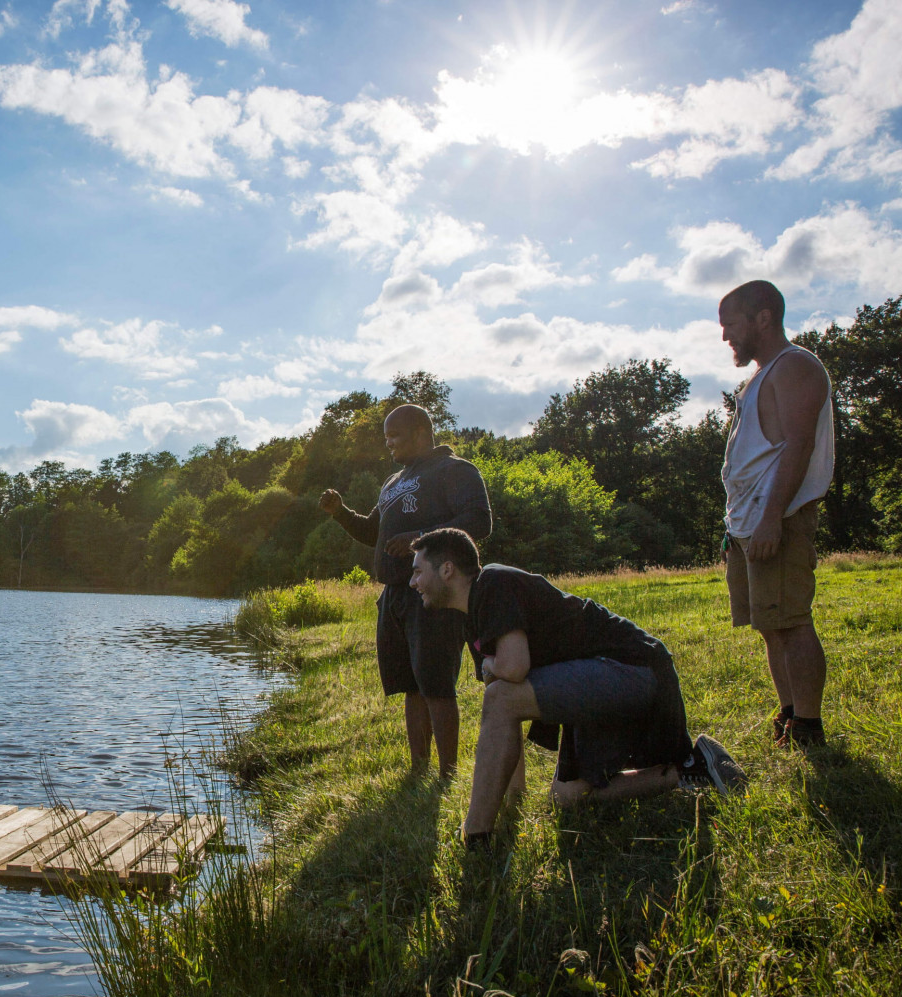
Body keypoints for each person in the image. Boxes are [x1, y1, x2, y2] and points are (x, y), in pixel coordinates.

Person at [407, 528, 743, 842]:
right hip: (598, 679)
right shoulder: (474, 617)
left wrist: (492, 665)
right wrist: (513, 803)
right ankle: (691, 769)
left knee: (501, 692)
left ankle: (475, 837)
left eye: (418, 571)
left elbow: (511, 668)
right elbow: (500, 714)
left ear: (447, 570)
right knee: (566, 796)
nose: (412, 581)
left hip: (634, 668)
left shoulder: (493, 583)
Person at [319, 404, 492, 780]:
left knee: (436, 684)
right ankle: (419, 770)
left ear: (420, 432)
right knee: (412, 685)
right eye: (386, 438)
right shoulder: (393, 482)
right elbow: (372, 533)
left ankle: (448, 774)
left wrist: (420, 537)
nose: (389, 445)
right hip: (395, 593)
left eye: (394, 436)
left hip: (434, 594)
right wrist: (341, 512)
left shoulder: (455, 470)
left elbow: (479, 520)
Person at [718, 279, 835, 749]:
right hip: (748, 524)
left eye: (730, 323)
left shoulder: (796, 367)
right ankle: (789, 713)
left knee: (791, 620)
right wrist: (738, 524)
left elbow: (798, 448)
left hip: (778, 520)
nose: (726, 336)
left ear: (762, 317)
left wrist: (770, 518)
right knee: (769, 624)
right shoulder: (761, 376)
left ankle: (808, 725)